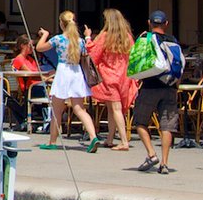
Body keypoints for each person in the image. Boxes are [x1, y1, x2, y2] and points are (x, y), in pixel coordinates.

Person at [131, 10, 189, 175]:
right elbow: (180, 65)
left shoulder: (145, 38)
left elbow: (136, 60)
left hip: (149, 86)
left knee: (140, 121)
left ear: (149, 23)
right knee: (167, 127)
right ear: (166, 24)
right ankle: (164, 163)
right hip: (169, 88)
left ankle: (151, 154)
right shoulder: (174, 41)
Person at [41, 11, 97, 148]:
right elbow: (86, 53)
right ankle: (93, 136)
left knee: (57, 109)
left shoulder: (58, 39)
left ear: (61, 23)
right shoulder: (79, 40)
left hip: (63, 72)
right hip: (76, 72)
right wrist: (88, 37)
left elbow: (39, 47)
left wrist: (45, 34)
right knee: (80, 109)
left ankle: (52, 142)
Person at [87, 10, 137, 151]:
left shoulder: (105, 36)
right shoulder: (127, 37)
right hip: (124, 77)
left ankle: (123, 141)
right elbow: (133, 56)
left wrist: (88, 39)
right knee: (112, 108)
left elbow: (93, 55)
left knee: (115, 109)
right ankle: (110, 138)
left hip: (109, 76)